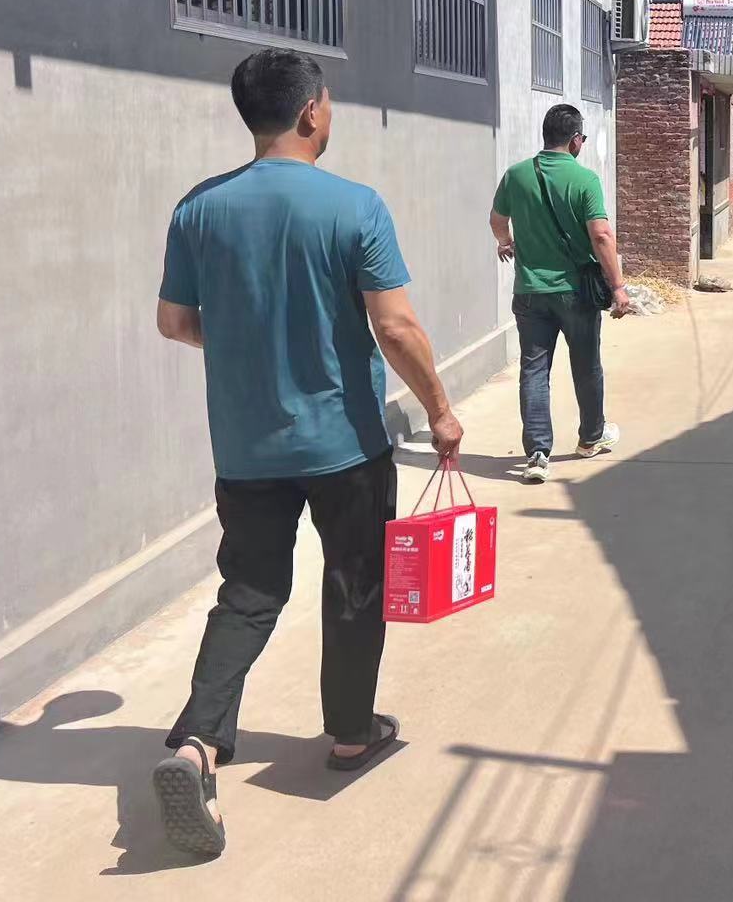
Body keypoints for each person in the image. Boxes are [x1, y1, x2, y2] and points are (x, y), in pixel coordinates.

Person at [153, 49, 464, 858]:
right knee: (355, 586)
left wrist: (248, 343)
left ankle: (196, 745)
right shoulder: (354, 206)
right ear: (311, 112)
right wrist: (440, 410)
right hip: (344, 447)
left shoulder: (198, 209)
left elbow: (175, 323)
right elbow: (395, 327)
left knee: (248, 593)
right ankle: (352, 734)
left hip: (245, 447)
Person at [490, 104, 630, 481]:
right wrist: (618, 287)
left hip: (530, 292)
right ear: (575, 140)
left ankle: (537, 453)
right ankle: (591, 437)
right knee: (586, 365)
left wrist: (505, 242)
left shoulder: (516, 175)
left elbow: (497, 219)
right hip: (576, 293)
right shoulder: (584, 180)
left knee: (534, 369)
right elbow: (601, 235)